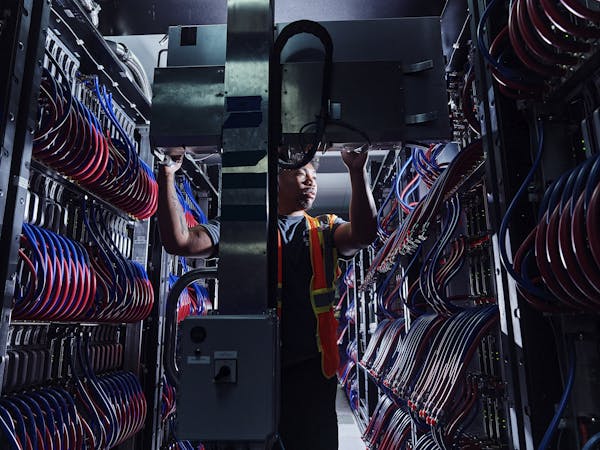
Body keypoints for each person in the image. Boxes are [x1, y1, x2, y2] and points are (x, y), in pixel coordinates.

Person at [157, 148, 377, 450]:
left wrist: (357, 170)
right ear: (276, 177)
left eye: (314, 176)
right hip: (249, 371)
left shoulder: (324, 229)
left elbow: (364, 234)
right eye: (301, 173)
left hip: (310, 375)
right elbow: (180, 242)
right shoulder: (240, 229)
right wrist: (168, 172)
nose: (310, 181)